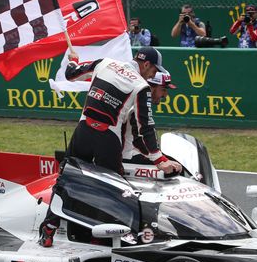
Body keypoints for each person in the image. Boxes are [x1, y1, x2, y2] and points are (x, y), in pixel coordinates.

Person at [38, 47, 182, 247]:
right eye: (154, 69)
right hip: (108, 139)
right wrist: (159, 161)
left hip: (83, 131)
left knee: (66, 181)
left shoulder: (104, 63)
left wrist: (72, 60)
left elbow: (71, 75)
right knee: (113, 191)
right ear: (146, 64)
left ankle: (48, 230)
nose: (154, 74)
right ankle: (104, 238)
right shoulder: (142, 86)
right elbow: (145, 126)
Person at [122, 71, 177, 164]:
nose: (165, 95)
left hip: (128, 153)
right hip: (126, 157)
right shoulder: (136, 106)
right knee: (177, 167)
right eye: (163, 89)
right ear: (150, 87)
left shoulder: (135, 99)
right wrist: (160, 159)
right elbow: (141, 138)